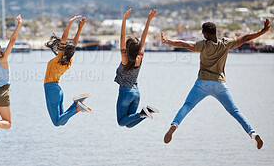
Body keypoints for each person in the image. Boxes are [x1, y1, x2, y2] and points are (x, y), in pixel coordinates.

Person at [161, 19, 271, 149]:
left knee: (188, 105)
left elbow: (185, 44)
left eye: (203, 34)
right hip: (220, 84)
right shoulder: (225, 43)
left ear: (206, 35)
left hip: (202, 83)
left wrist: (168, 41)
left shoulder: (203, 45)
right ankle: (253, 133)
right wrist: (262, 31)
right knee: (234, 111)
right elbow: (245, 38)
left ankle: (174, 125)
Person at [44, 15, 92, 127]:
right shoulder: (68, 61)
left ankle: (76, 108)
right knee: (62, 121)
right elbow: (73, 44)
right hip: (57, 90)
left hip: (51, 89)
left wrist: (69, 24)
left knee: (57, 122)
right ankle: (76, 104)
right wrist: (79, 28)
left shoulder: (59, 58)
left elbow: (64, 39)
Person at [114, 8, 159, 128]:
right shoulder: (140, 57)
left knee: (121, 122)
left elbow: (122, 37)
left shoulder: (125, 58)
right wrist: (149, 19)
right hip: (136, 93)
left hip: (125, 92)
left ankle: (143, 113)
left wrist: (124, 19)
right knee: (129, 124)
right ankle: (144, 113)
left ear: (127, 49)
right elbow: (143, 39)